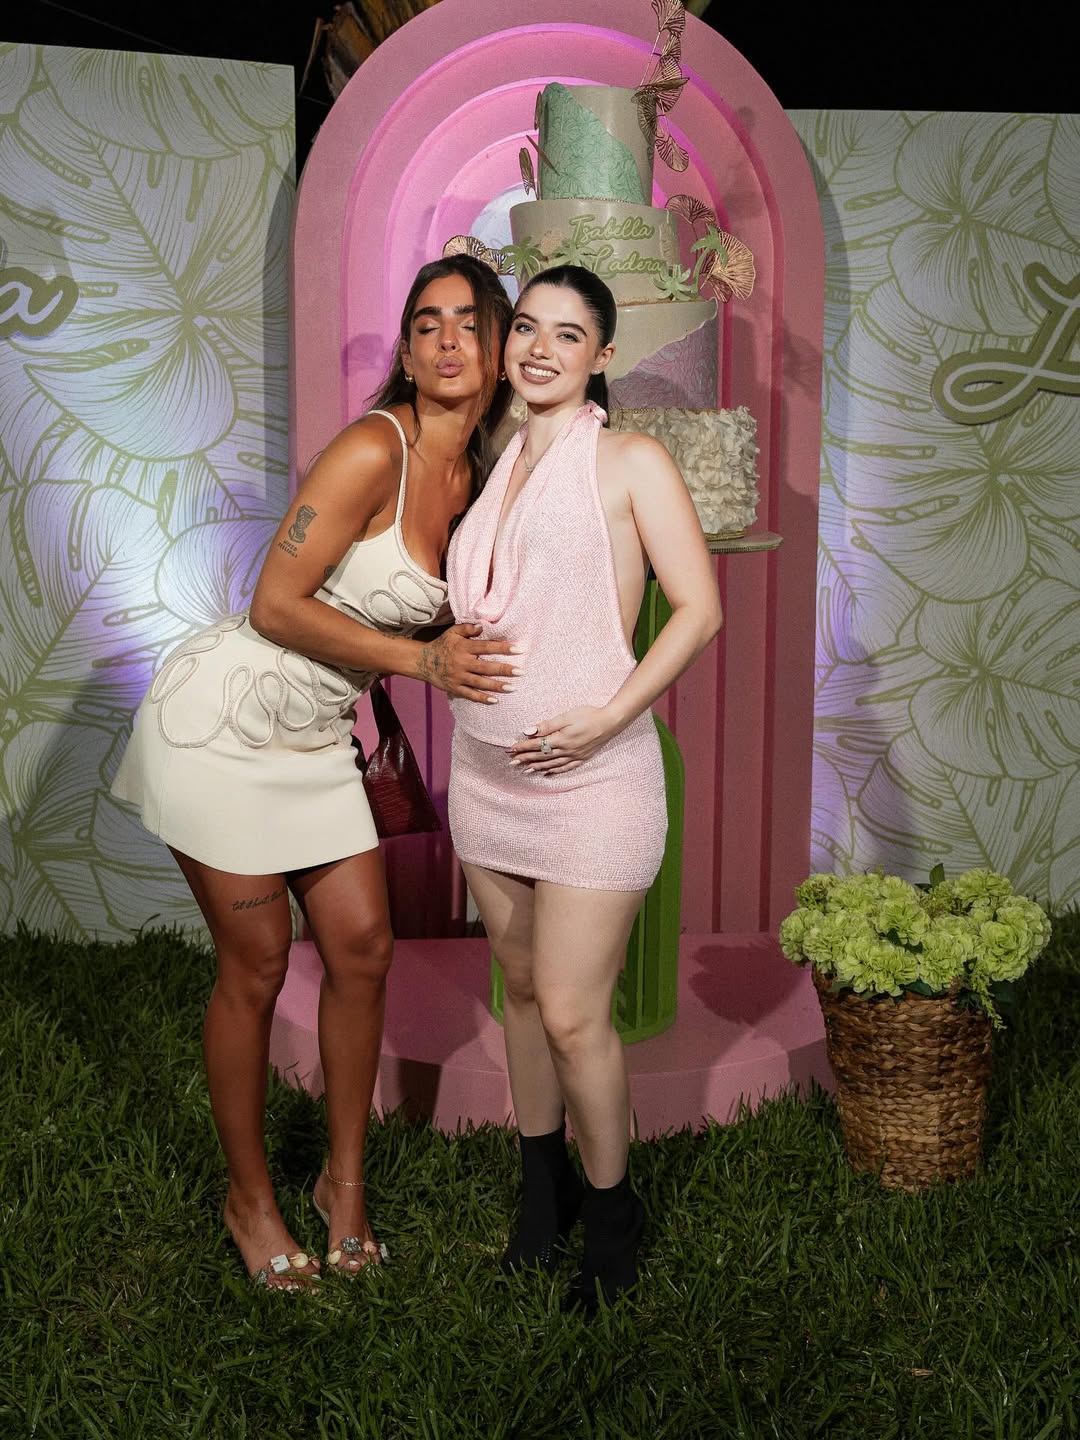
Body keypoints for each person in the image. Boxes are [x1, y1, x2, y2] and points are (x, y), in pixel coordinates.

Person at [112, 255, 516, 1290]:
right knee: (255, 965)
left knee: (364, 949)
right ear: (408, 353)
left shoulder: (480, 478)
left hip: (317, 737)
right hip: (223, 727)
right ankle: (249, 1201)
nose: (447, 340)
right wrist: (422, 662)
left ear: (500, 345)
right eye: (425, 323)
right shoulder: (373, 449)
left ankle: (344, 1187)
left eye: (469, 322)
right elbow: (275, 604)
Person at [445, 265, 723, 1313]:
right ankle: (541, 1194)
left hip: (595, 777)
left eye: (568, 334)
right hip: (486, 771)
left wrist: (610, 715)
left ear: (603, 355)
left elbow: (698, 609)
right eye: (527, 326)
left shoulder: (630, 460)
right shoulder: (492, 461)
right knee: (519, 990)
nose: (540, 348)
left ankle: (612, 1219)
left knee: (570, 1011)